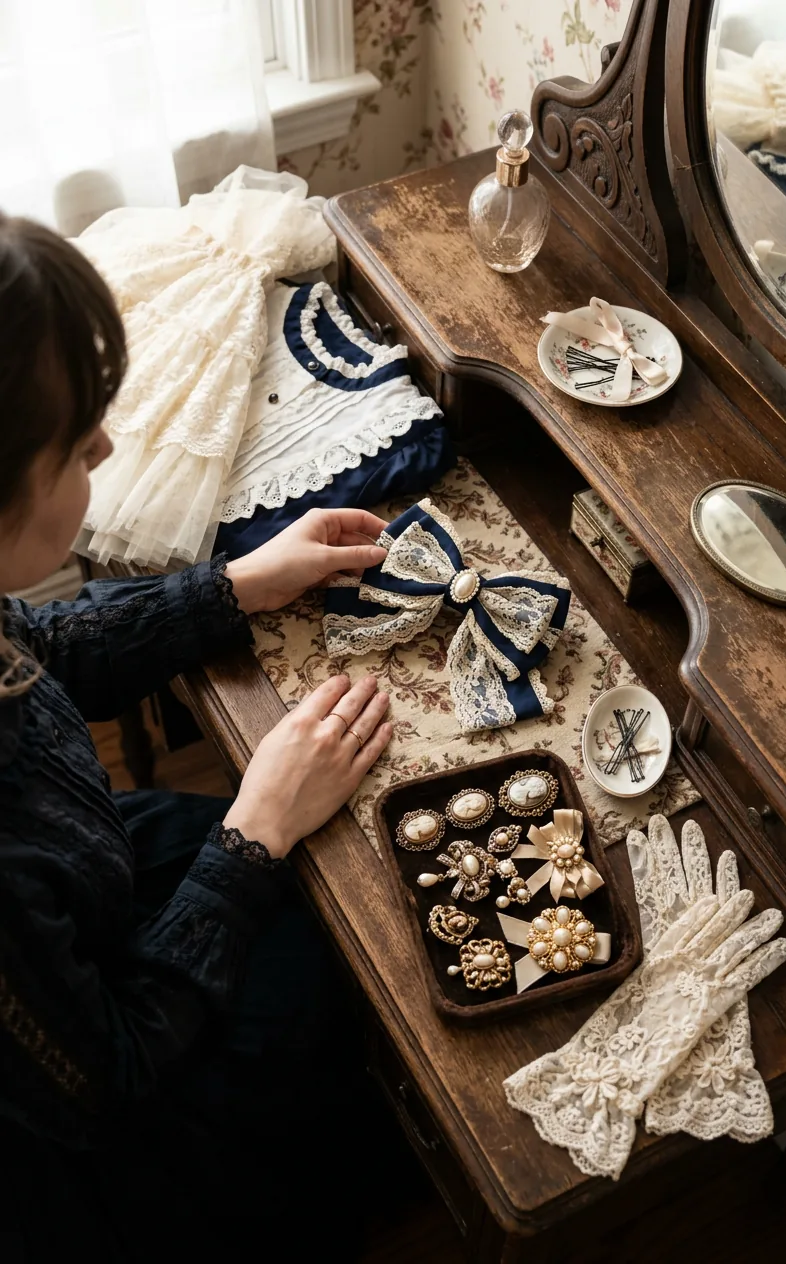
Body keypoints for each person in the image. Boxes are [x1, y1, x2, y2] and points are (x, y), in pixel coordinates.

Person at [0, 214, 400, 1259]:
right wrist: (255, 825)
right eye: (73, 438)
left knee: (304, 886)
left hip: (80, 884)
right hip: (83, 1120)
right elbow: (107, 1079)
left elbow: (39, 647)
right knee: (324, 969)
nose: (105, 444)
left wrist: (237, 585)